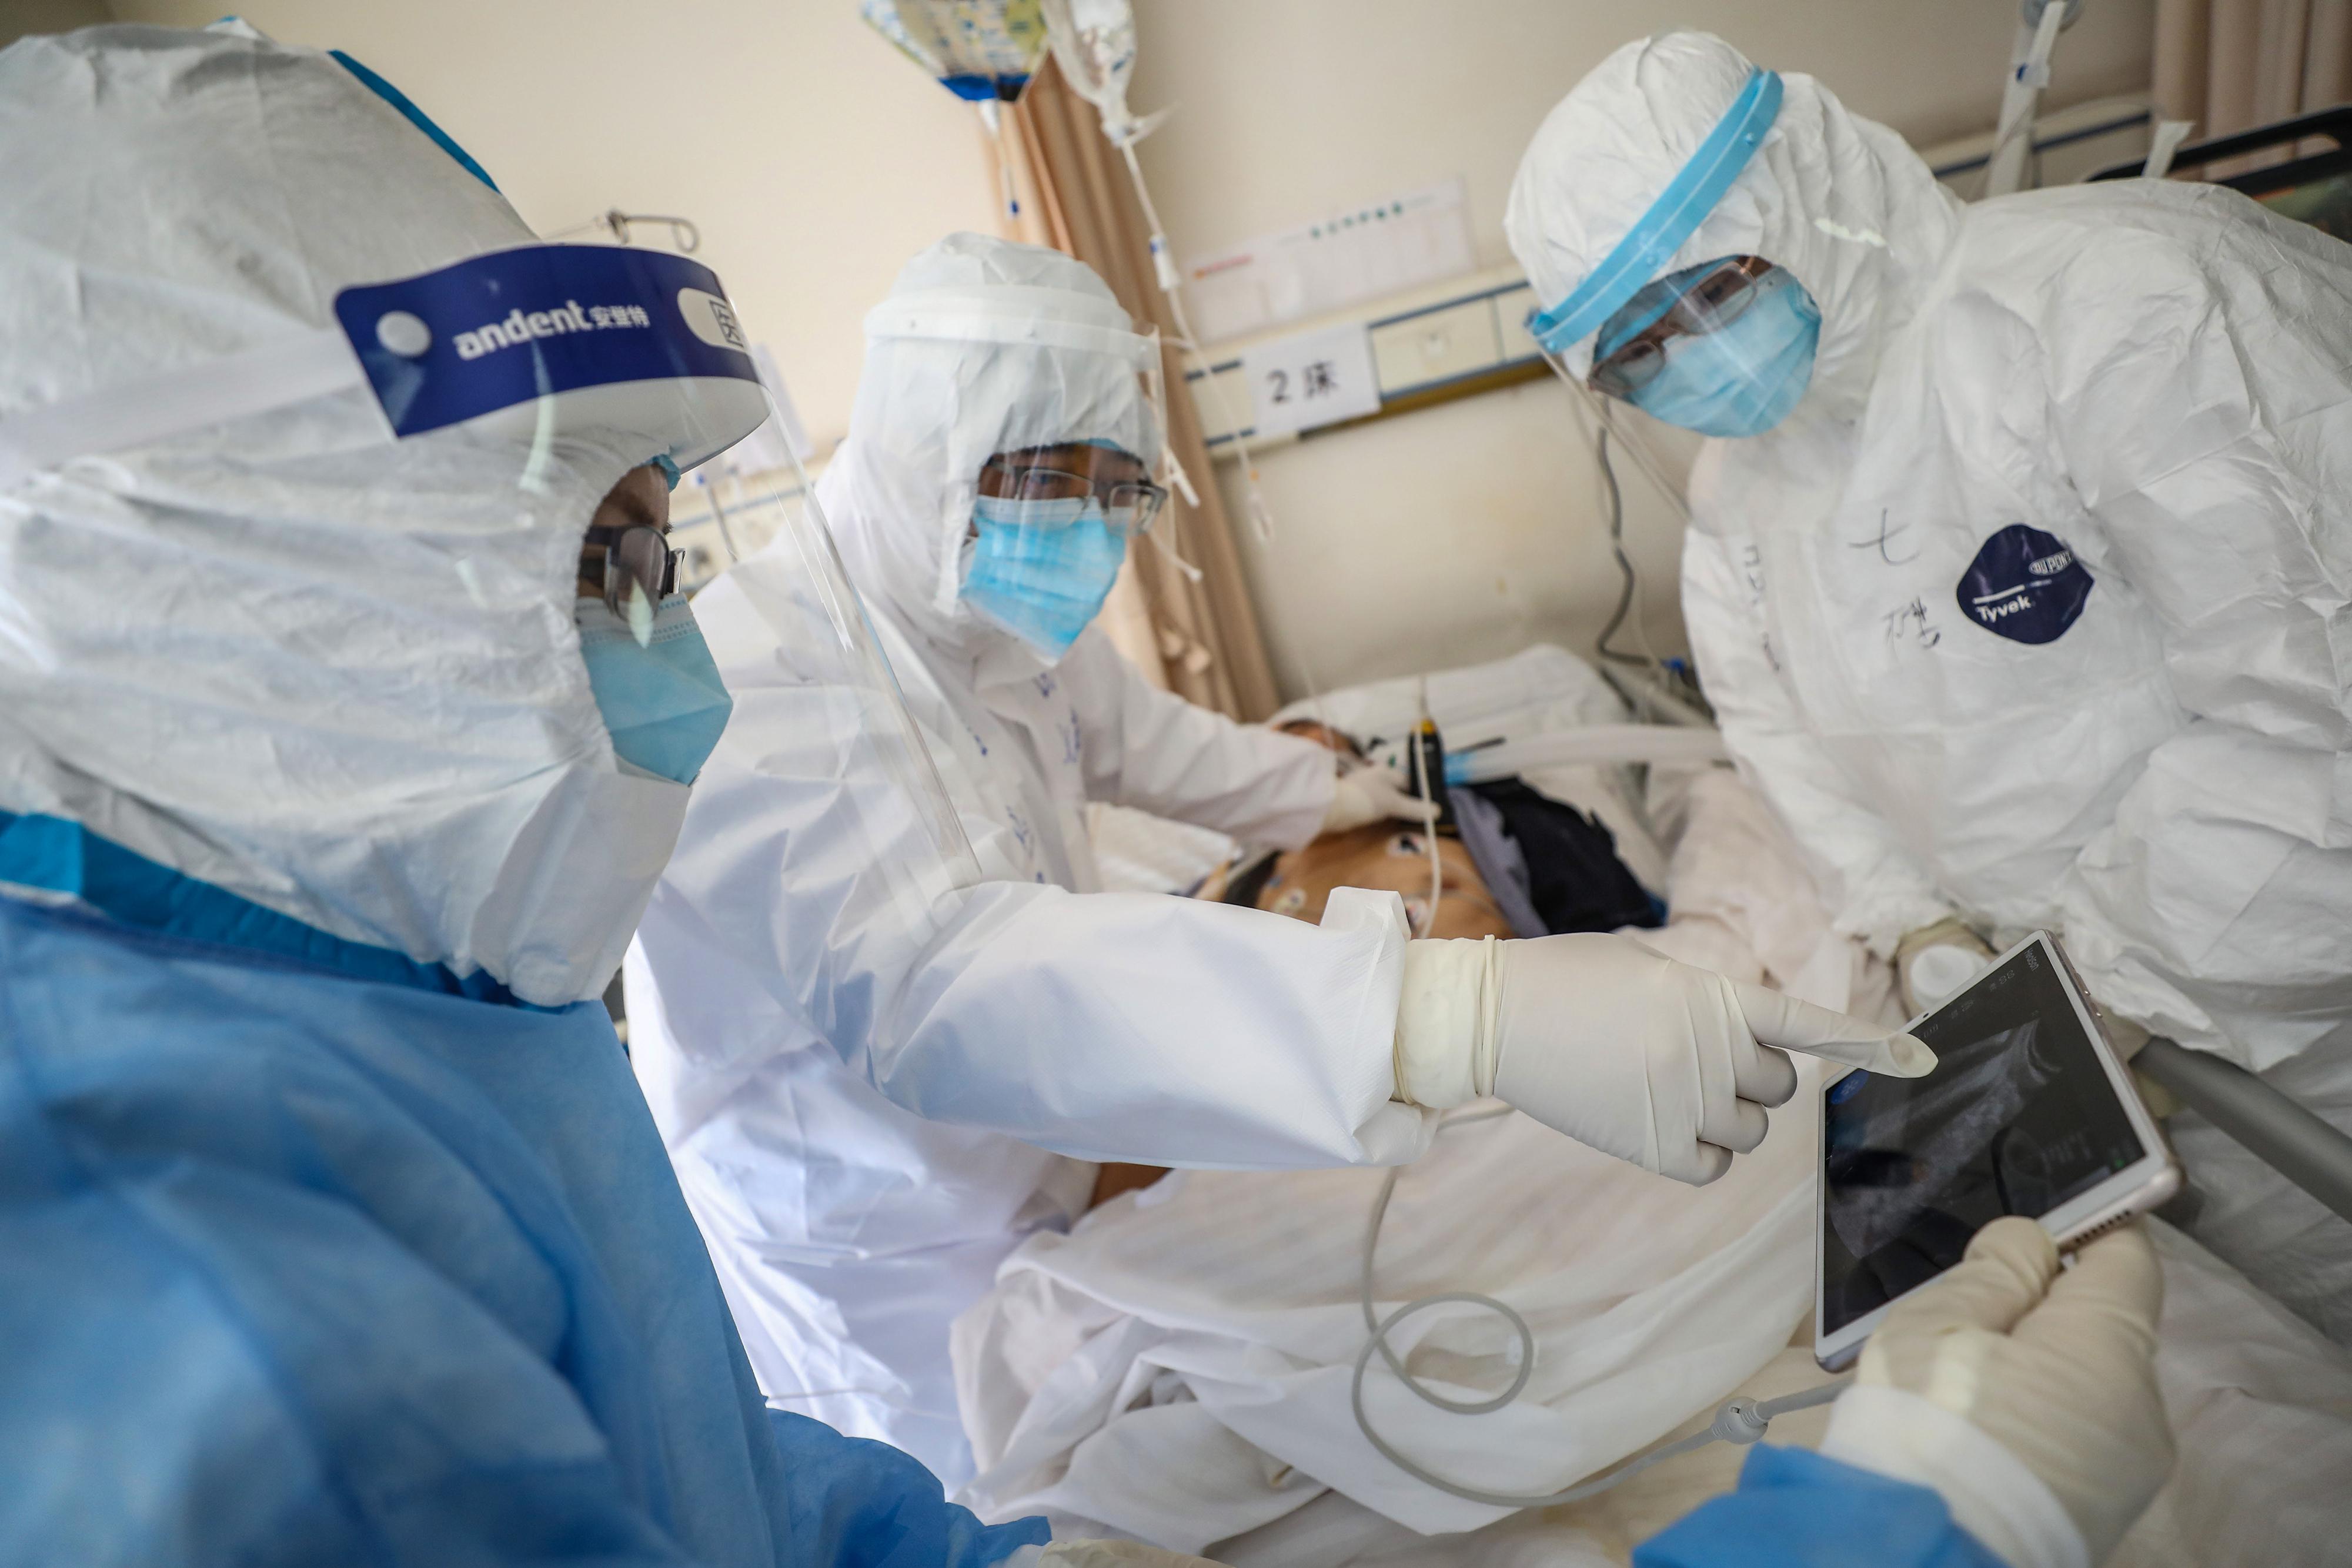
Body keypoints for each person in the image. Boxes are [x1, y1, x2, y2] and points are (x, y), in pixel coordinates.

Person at [1, 23, 1223, 1567]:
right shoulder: (181, 1284)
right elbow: (945, 985)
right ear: (217, 578)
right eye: (607, 564)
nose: (666, 667)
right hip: (914, 1302)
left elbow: (680, 1458)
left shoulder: (424, 985)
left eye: (662, 559)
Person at [623, 232, 1932, 1483]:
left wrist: (1331, 785)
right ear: (928, 455)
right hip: (880, 1263)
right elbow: (947, 989)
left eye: (1114, 485)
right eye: (1051, 478)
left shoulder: (990, 606)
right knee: (988, 1489)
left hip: (1072, 1174)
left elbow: (1159, 749)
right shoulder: (759, 688)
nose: (1085, 522)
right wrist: (1450, 1011)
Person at [1505, 32, 2352, 1335]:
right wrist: (1918, 934)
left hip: (2302, 1018)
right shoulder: (1735, 510)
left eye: (1714, 287)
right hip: (2111, 1063)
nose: (1692, 354)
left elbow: (2315, 725)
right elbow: (1790, 755)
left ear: (1805, 184)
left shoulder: (2124, 306)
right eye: (1639, 347)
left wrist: (2103, 981)